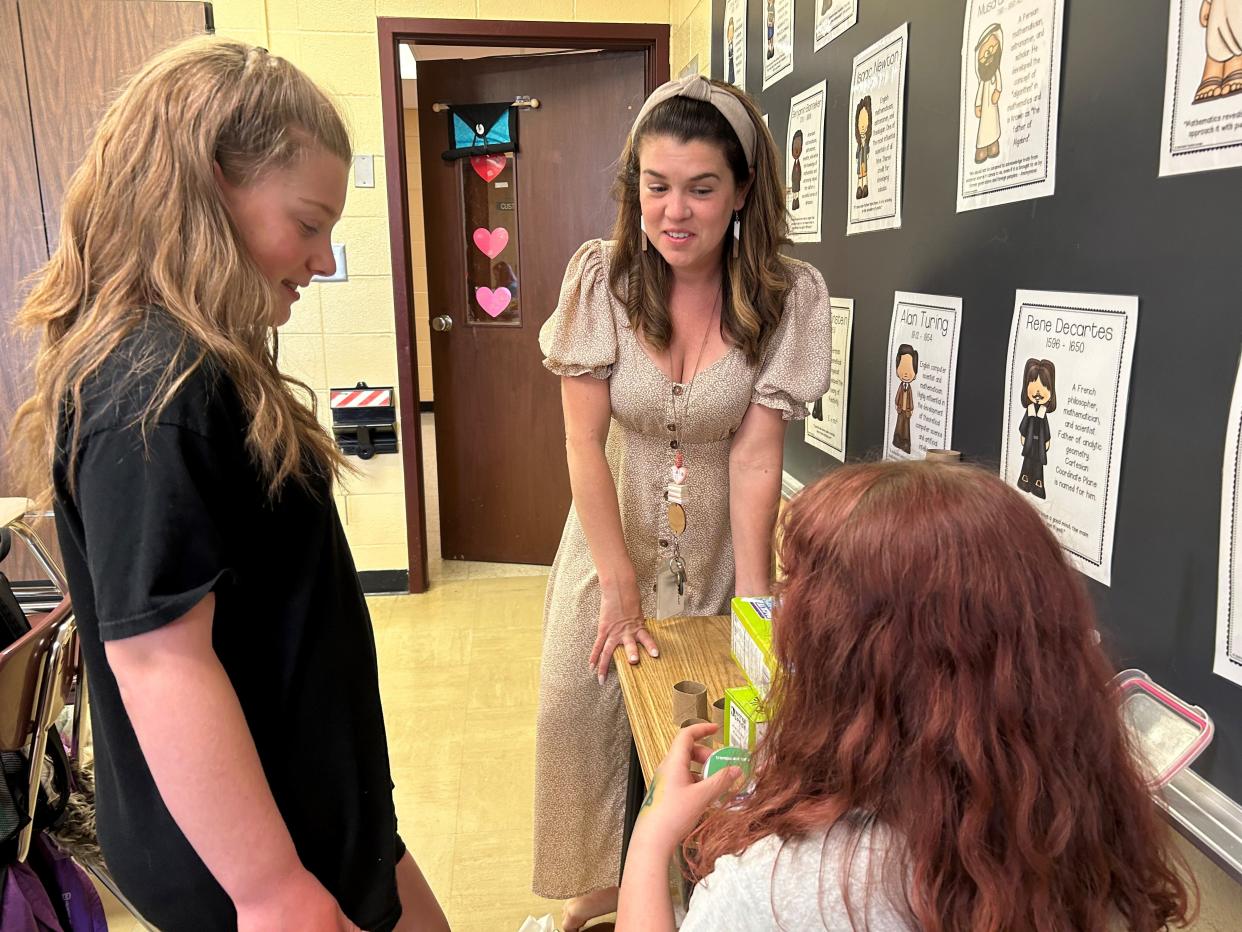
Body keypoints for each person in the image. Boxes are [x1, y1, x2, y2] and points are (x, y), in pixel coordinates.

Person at [10, 38, 449, 932]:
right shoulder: (152, 385)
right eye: (309, 222)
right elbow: (158, 659)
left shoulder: (200, 364)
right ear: (213, 188)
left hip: (315, 811)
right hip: (252, 859)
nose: (323, 262)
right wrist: (270, 889)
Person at [617, 462, 1195, 932]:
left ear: (849, 662)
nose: (780, 609)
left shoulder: (778, 893)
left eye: (798, 591)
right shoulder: (1080, 829)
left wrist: (650, 841)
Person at [532, 74, 831, 931]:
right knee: (577, 722)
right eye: (656, 186)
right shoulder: (604, 281)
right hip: (607, 537)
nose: (675, 212)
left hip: (714, 553)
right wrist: (618, 581)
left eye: (701, 189)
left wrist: (754, 603)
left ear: (741, 191)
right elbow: (582, 441)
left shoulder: (781, 297)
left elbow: (753, 459)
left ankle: (697, 904)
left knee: (705, 733)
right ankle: (598, 908)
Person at [974, 24, 1004, 163]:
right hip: (985, 108)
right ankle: (982, 148)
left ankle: (993, 145)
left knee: (993, 123)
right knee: (984, 126)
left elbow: (999, 83)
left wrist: (998, 91)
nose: (990, 53)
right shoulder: (983, 81)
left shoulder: (995, 72)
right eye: (986, 52)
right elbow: (979, 93)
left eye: (993, 48)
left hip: (992, 106)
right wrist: (977, 106)